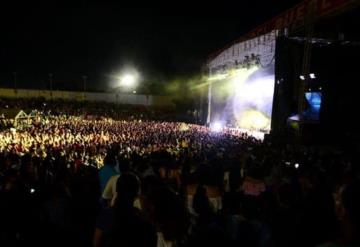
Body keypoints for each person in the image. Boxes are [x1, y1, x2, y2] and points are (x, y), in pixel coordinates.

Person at [93, 172, 157, 247]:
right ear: (136, 193)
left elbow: (96, 243)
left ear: (117, 189)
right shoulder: (141, 217)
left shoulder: (106, 214)